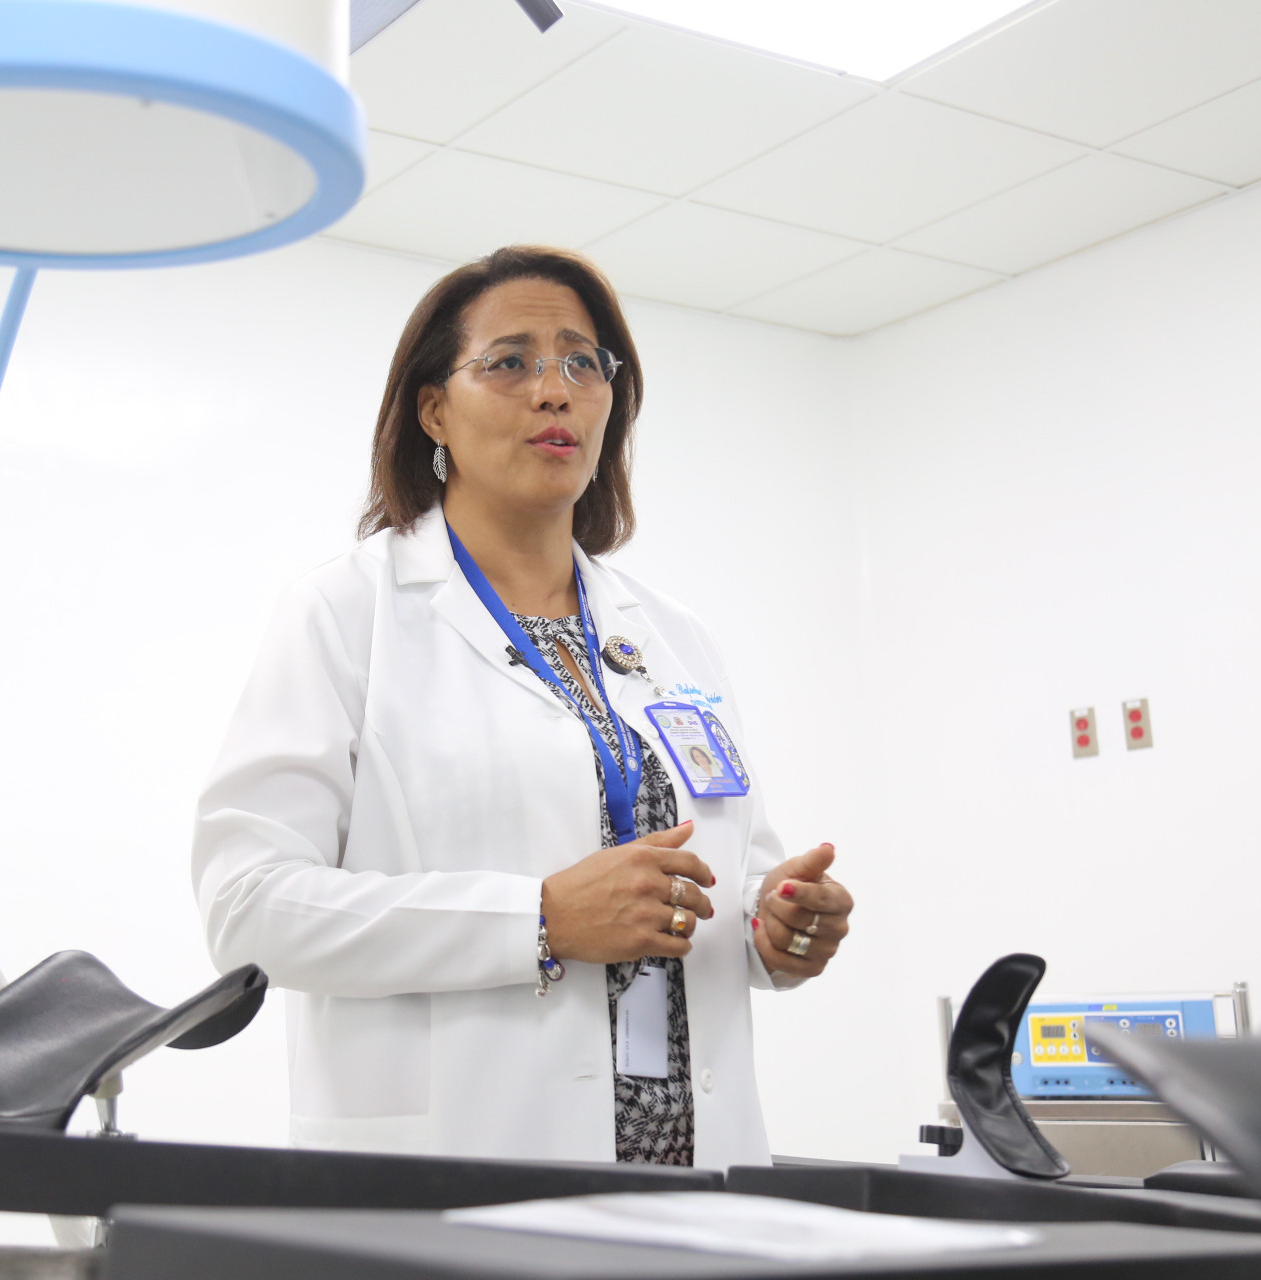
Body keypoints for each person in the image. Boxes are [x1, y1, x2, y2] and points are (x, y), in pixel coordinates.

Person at [193, 245, 853, 1168]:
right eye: (510, 362)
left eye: (583, 363)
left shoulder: (673, 636)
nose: (554, 392)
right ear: (435, 410)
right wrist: (536, 921)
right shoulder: (347, 612)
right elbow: (249, 908)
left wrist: (773, 926)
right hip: (462, 1169)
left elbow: (738, 877)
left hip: (691, 1176)